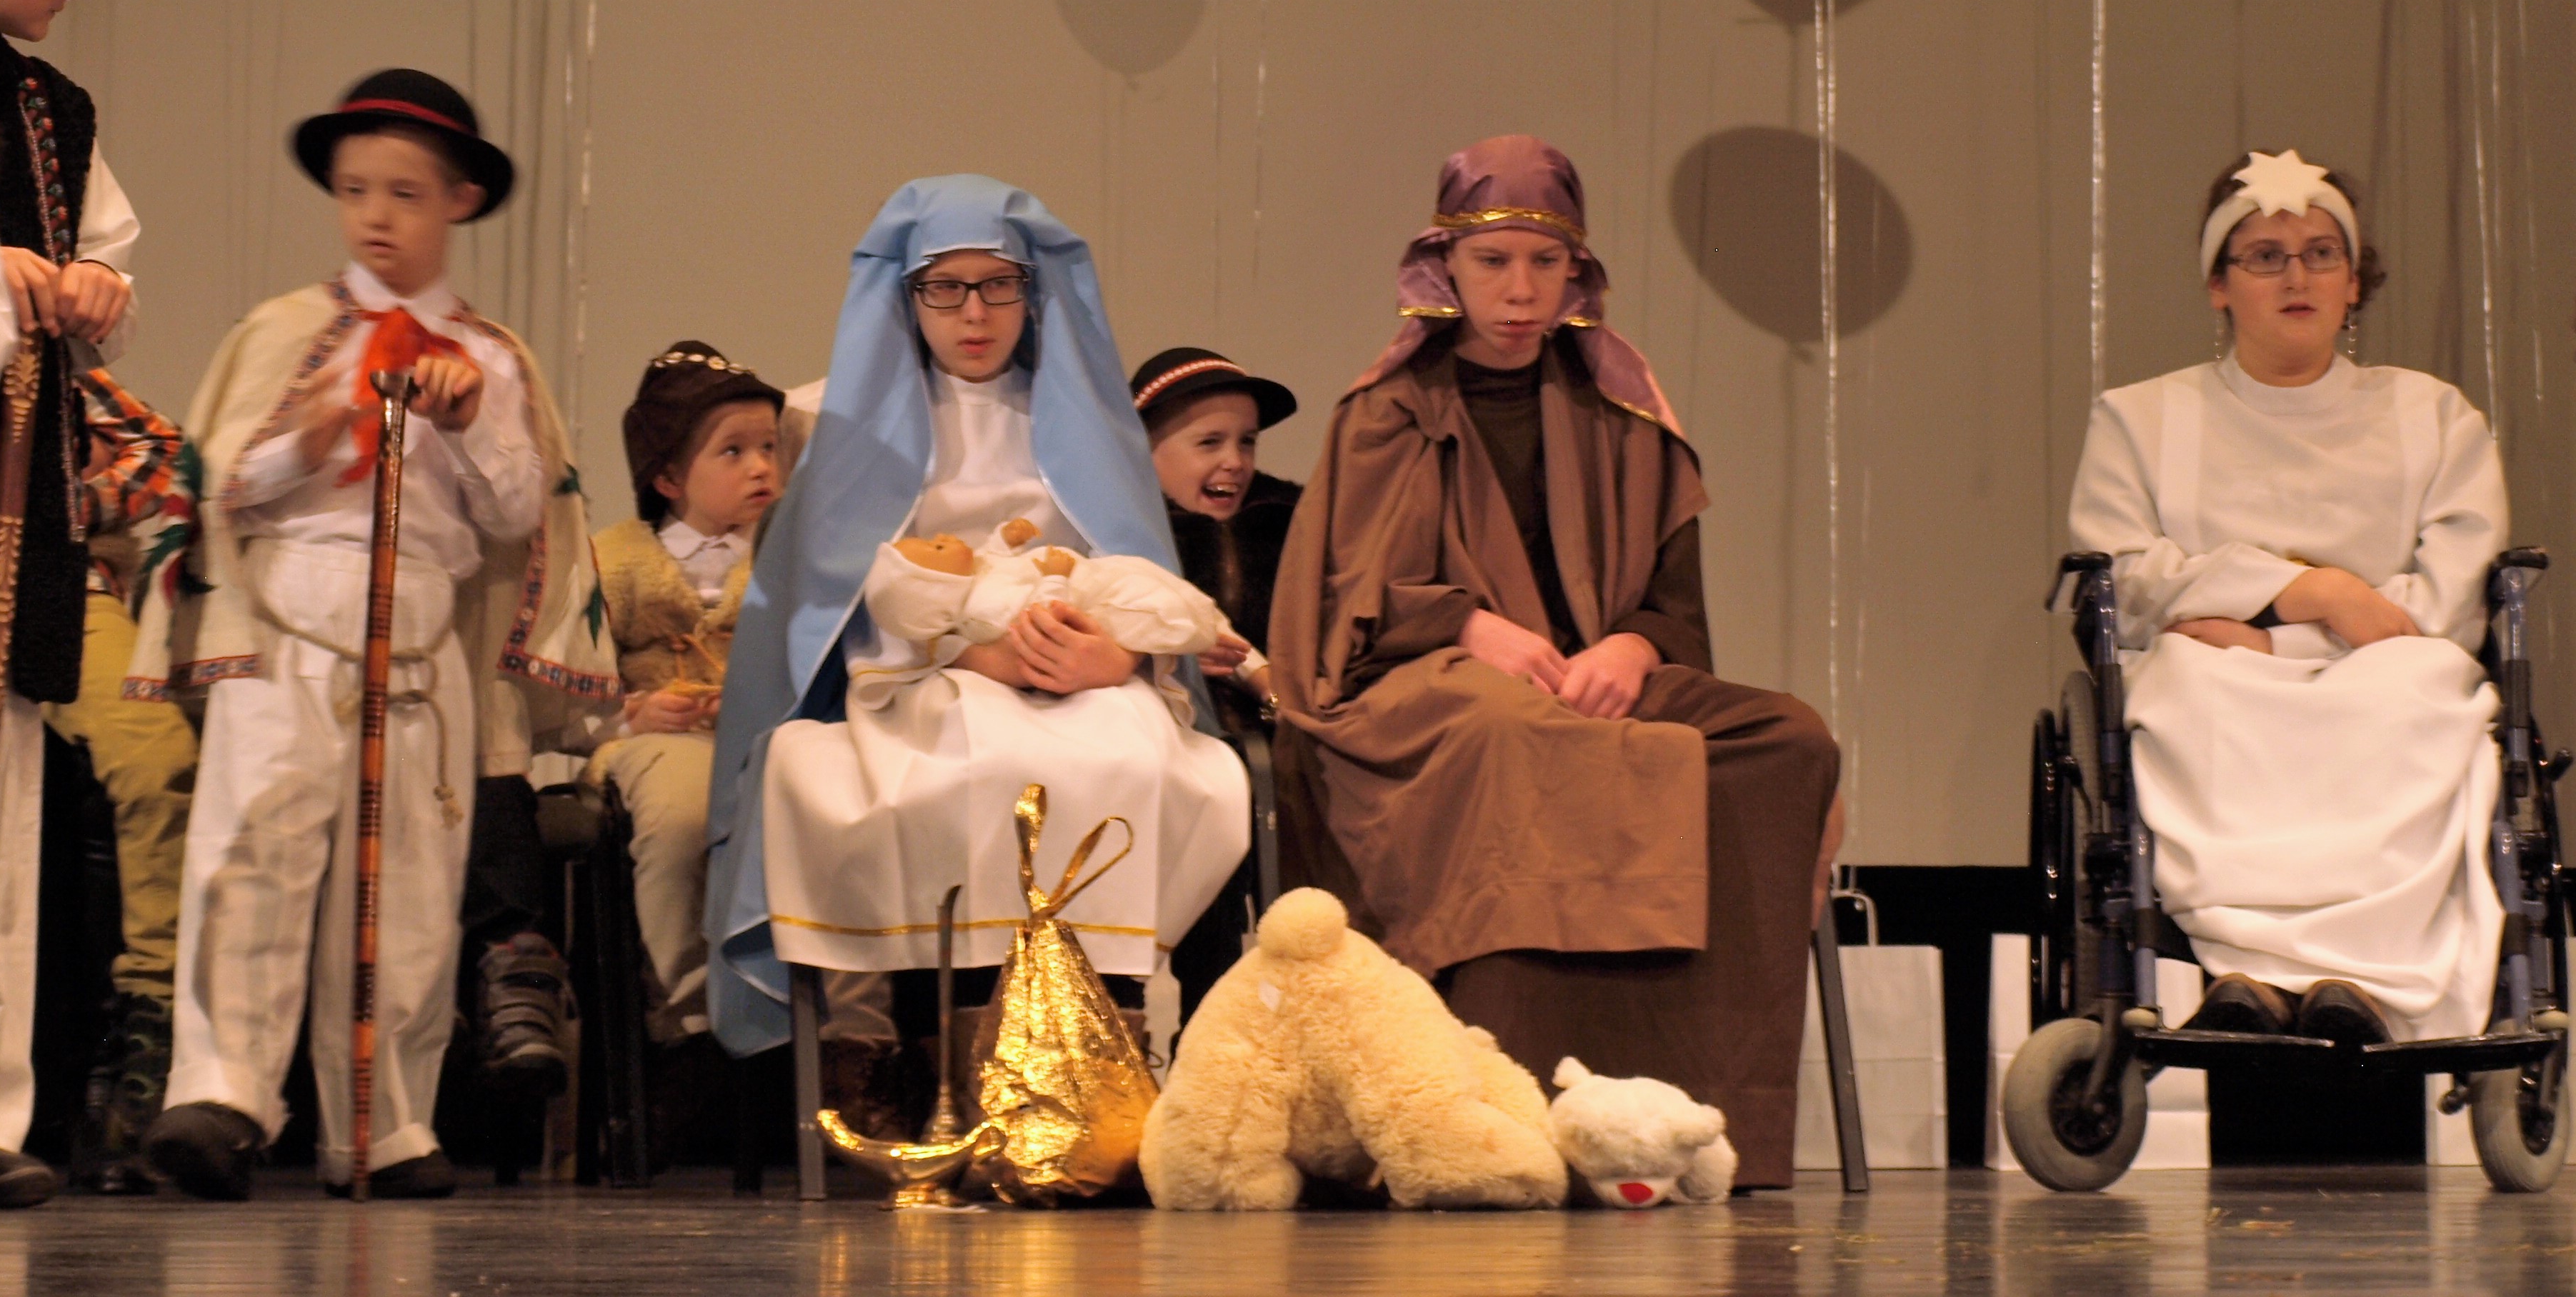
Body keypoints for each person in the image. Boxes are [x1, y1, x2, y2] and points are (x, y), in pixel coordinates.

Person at [1268, 136, 1842, 1188]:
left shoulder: (1622, 412)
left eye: (1546, 263)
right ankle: (1508, 1112)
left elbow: (1674, 607)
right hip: (1420, 686)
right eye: (1493, 263)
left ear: (1579, 271)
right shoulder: (1388, 415)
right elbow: (1345, 607)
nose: (1521, 291)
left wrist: (1632, 643)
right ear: (1445, 267)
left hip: (1588, 684)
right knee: (1513, 732)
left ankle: (1710, 1112)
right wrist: (1468, 628)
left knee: (1785, 740)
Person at [132, 71, 616, 1201]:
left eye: (404, 192)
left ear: (458, 200)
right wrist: (316, 427)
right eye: (356, 192)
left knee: (408, 882)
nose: (377, 217)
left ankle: (383, 1117)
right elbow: (223, 480)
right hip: (290, 626)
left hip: (420, 635)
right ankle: (223, 1095)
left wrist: (465, 420)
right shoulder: (284, 332)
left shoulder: (491, 357)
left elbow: (518, 514)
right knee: (256, 851)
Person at [708, 177, 1251, 1091]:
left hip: (1087, 671)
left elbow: (1132, 570)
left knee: (1134, 757)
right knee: (971, 768)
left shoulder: (1086, 422)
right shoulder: (855, 433)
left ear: (1033, 292)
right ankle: (955, 1068)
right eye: (945, 287)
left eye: (999, 284)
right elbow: (842, 599)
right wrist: (970, 650)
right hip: (928, 671)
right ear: (907, 297)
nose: (973, 313)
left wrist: (1120, 655)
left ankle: (1099, 1065)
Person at [2068, 150, 2507, 1045]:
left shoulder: (2434, 416)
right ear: (2219, 285)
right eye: (2265, 257)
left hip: (2382, 668)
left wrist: (2282, 636)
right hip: (2213, 672)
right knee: (2191, 685)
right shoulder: (2140, 417)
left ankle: (2368, 973)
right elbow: (2127, 574)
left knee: (2421, 690)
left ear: (2355, 282)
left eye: (2320, 254)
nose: (2296, 277)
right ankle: (2246, 966)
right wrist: (2309, 588)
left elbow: (2452, 598)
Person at [0, 0, 144, 1211]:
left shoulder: (51, 108)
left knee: (5, 791)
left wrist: (87, 287)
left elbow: (107, 251)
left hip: (8, 495)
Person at [591, 341, 782, 1051]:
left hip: (770, 737)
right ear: (669, 477)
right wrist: (634, 714)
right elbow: (574, 683)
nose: (761, 466)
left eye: (769, 447)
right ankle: (687, 1001)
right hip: (660, 736)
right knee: (682, 816)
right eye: (733, 451)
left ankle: (836, 1017)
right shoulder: (614, 560)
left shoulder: (786, 556)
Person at [48, 368, 201, 1193]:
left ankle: (150, 1022)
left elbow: (167, 454)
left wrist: (65, 503)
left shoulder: (46, 351)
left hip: (57, 590)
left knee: (156, 757)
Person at [1132, 346, 1301, 729]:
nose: (1235, 462)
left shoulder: (1293, 521)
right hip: (1163, 732)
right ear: (1141, 449)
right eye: (1209, 442)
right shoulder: (1116, 538)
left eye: (1247, 441)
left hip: (1290, 733)